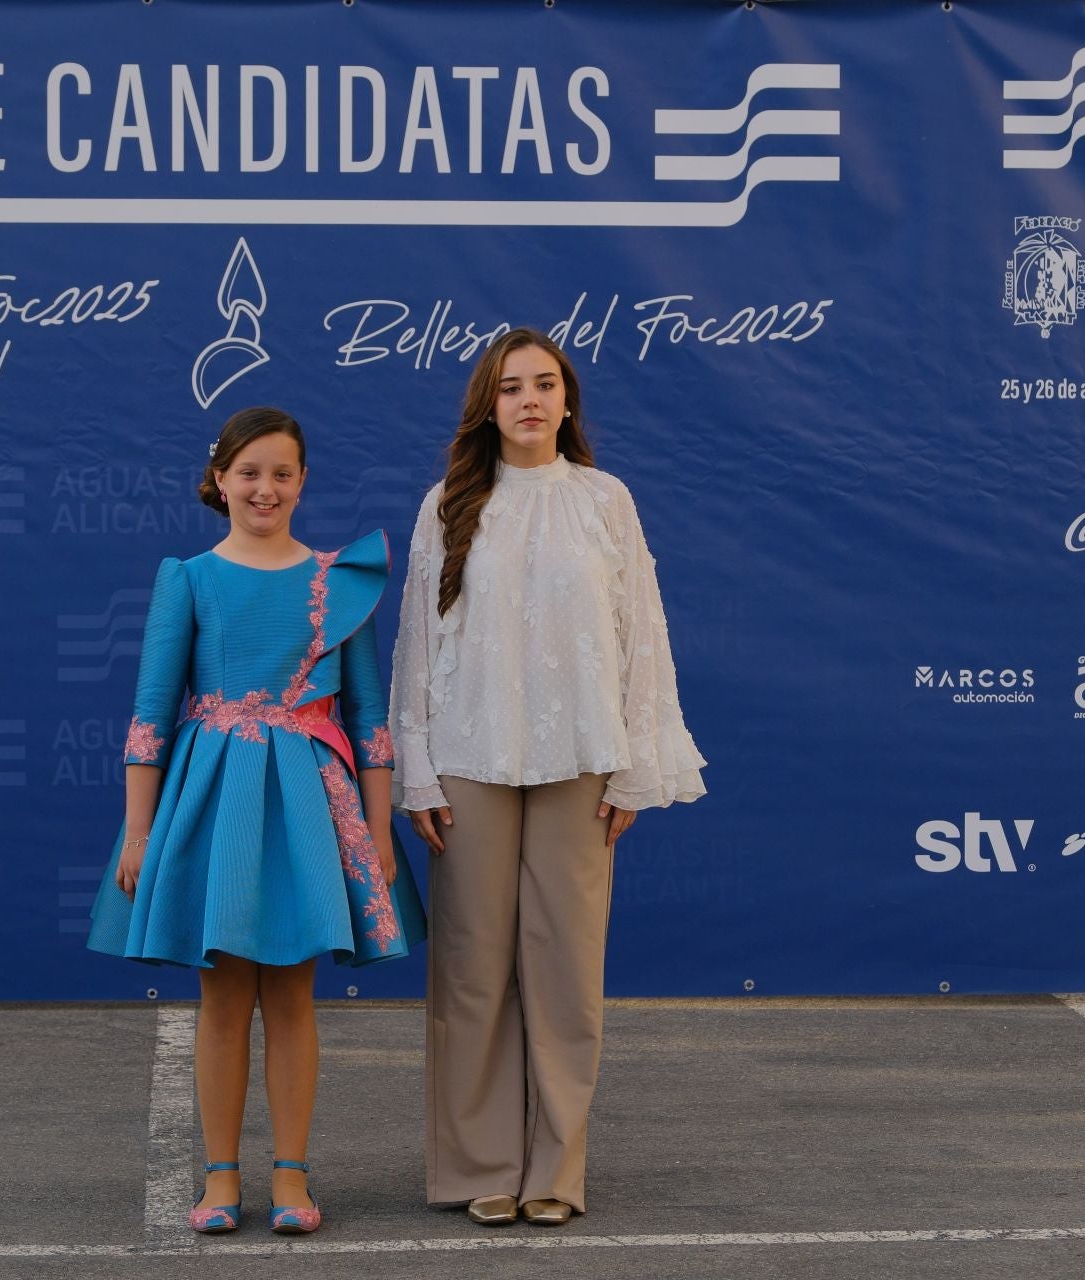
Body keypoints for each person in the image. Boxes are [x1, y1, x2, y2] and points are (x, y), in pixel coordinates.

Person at [390, 328, 707, 1227]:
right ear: (486, 407)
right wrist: (419, 771)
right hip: (470, 755)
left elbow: (642, 634)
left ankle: (556, 1170)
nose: (528, 399)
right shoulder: (449, 504)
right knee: (472, 969)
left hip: (581, 758)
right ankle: (480, 1165)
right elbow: (417, 641)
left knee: (567, 969)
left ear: (567, 402)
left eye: (544, 384)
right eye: (509, 387)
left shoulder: (606, 501)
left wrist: (635, 767)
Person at [87, 406, 426, 1236]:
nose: (264, 487)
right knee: (223, 995)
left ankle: (291, 1175)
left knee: (295, 994)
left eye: (281, 473)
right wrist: (138, 832)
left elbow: (369, 716)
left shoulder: (338, 580)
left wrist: (379, 834)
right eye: (249, 473)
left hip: (311, 806)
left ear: (303, 481)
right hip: (214, 803)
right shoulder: (191, 578)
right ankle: (219, 1177)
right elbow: (150, 714)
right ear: (220, 481)